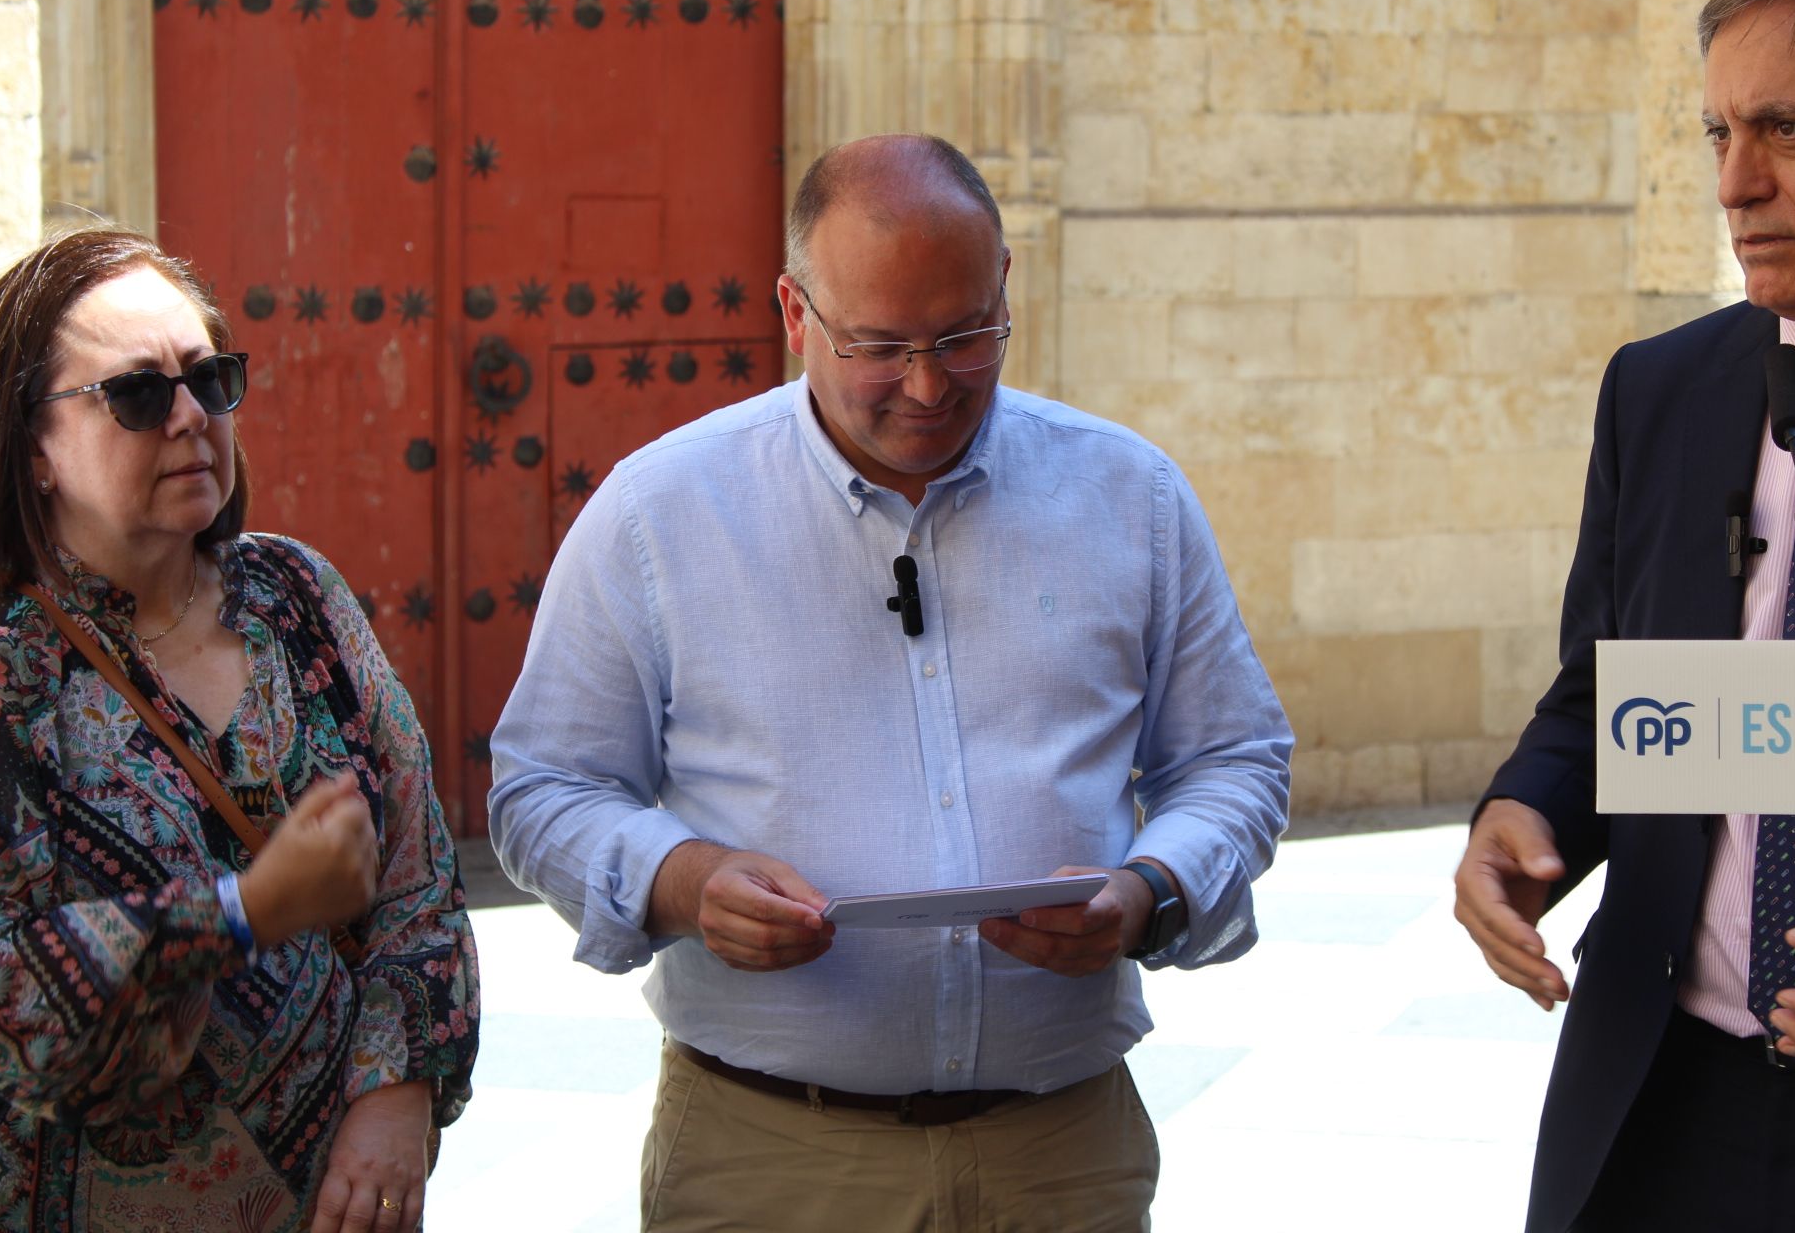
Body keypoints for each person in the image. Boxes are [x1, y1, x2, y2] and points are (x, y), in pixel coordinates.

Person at [490, 132, 1291, 1232]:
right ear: (793, 314)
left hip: (1062, 1153)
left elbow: (1235, 758)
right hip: (769, 1157)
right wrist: (682, 879)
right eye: (878, 346)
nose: (926, 385)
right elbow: (541, 789)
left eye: (965, 336)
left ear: (1006, 283)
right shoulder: (658, 513)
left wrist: (1148, 889)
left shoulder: (1130, 495)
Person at [0, 228, 479, 1231]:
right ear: (35, 448)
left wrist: (396, 1090)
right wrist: (246, 908)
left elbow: (418, 882)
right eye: (138, 393)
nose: (190, 416)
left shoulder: (296, 596)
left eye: (210, 377)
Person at [1452, 0, 1795, 1228]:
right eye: (1718, 132)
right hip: (1663, 1092)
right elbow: (1617, 692)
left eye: (1788, 129)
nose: (1737, 183)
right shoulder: (1661, 389)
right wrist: (1527, 807)